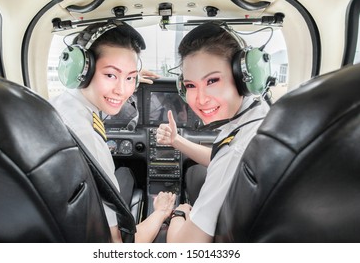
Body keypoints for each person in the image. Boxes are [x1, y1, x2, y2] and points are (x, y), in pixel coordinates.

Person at [50, 19, 175, 243]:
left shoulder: (60, 107)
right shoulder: (88, 141)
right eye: (110, 75)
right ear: (82, 71)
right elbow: (116, 247)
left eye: (129, 78)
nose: (123, 90)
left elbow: (116, 90)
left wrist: (122, 76)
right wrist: (161, 213)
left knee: (125, 175)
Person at [156, 21, 271, 242]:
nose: (200, 99)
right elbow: (219, 157)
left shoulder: (236, 149)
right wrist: (177, 141)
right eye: (190, 85)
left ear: (243, 78)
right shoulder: (254, 118)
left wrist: (178, 214)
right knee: (195, 173)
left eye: (212, 80)